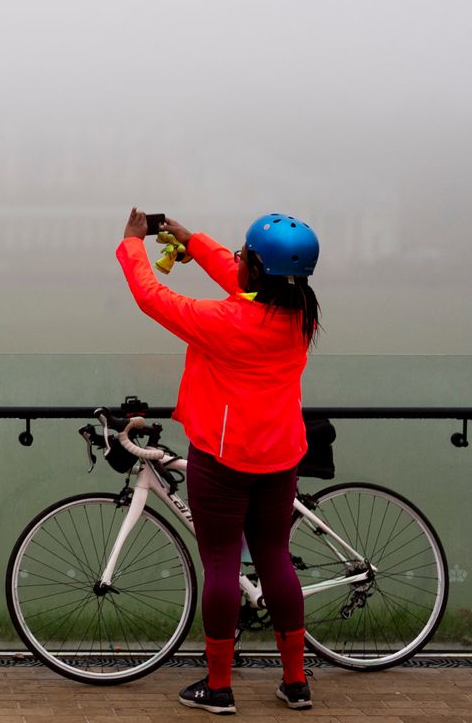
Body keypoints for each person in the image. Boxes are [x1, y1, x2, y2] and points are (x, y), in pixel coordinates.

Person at [116, 207, 322, 715]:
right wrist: (192, 239)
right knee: (274, 558)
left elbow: (152, 298)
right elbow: (246, 282)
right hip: (280, 458)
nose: (236, 261)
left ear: (254, 266)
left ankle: (220, 687)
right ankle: (295, 682)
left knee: (223, 567)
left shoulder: (226, 321)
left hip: (224, 460)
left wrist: (132, 243)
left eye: (242, 256)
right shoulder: (300, 313)